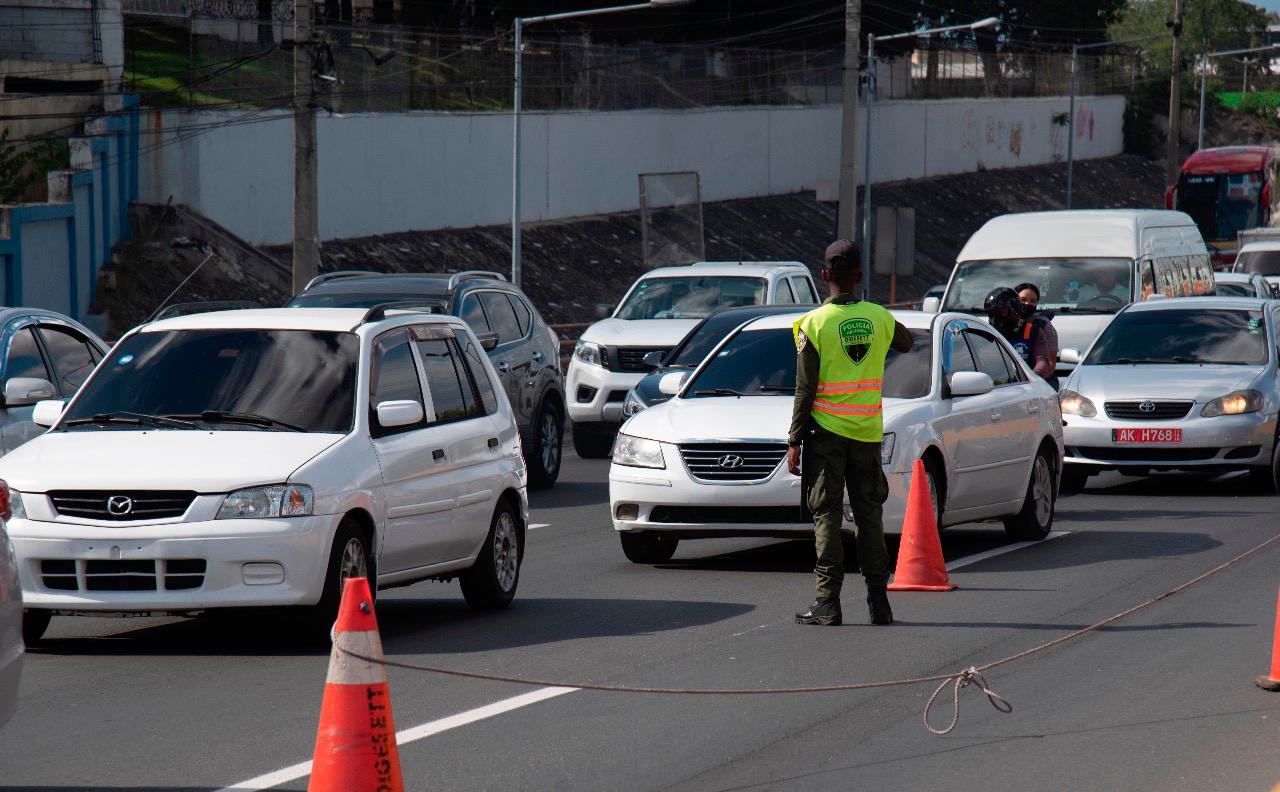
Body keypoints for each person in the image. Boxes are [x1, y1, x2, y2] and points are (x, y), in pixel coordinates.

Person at [788, 240, 913, 627]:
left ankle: (828, 602)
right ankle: (879, 602)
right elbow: (907, 342)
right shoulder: (879, 317)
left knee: (825, 513)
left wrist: (794, 438)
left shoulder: (812, 323)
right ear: (860, 276)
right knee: (869, 514)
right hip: (867, 432)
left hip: (826, 432)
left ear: (824, 275)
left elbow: (805, 387)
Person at [985, 286, 1057, 389]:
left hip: (1028, 385)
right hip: (993, 386)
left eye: (1001, 312)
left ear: (1015, 310)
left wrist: (1029, 379)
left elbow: (1043, 362)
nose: (996, 317)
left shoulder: (1034, 330)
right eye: (992, 313)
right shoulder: (984, 331)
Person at [1014, 281, 1059, 382]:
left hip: (1039, 381)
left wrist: (1028, 382)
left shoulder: (1044, 325)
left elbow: (1050, 366)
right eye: (1023, 300)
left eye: (1032, 301)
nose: (1027, 304)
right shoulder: (1000, 322)